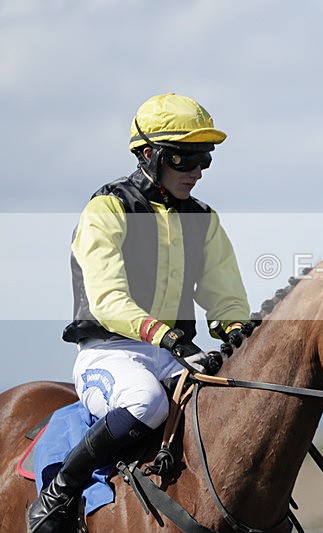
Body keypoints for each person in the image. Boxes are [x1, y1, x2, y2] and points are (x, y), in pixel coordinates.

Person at [27, 93, 251, 533]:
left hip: (174, 355)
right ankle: (59, 494)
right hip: (111, 353)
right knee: (145, 402)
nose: (197, 171)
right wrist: (168, 338)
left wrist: (238, 328)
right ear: (149, 155)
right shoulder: (107, 209)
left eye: (205, 158)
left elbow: (225, 296)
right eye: (185, 158)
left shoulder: (204, 219)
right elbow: (107, 299)